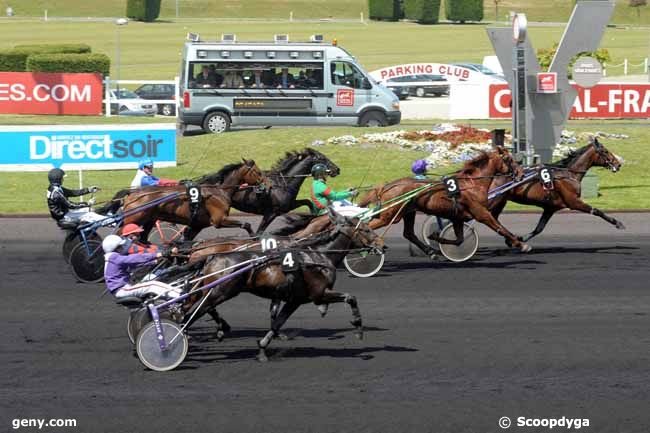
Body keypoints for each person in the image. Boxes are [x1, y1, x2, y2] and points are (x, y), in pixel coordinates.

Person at [102, 235, 182, 299]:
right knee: (152, 285)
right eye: (120, 247)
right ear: (115, 248)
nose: (123, 248)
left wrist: (155, 262)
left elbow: (135, 265)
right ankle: (181, 294)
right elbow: (136, 258)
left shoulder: (112, 259)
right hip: (123, 289)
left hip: (124, 288)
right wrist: (159, 254)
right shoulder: (114, 257)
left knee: (153, 279)